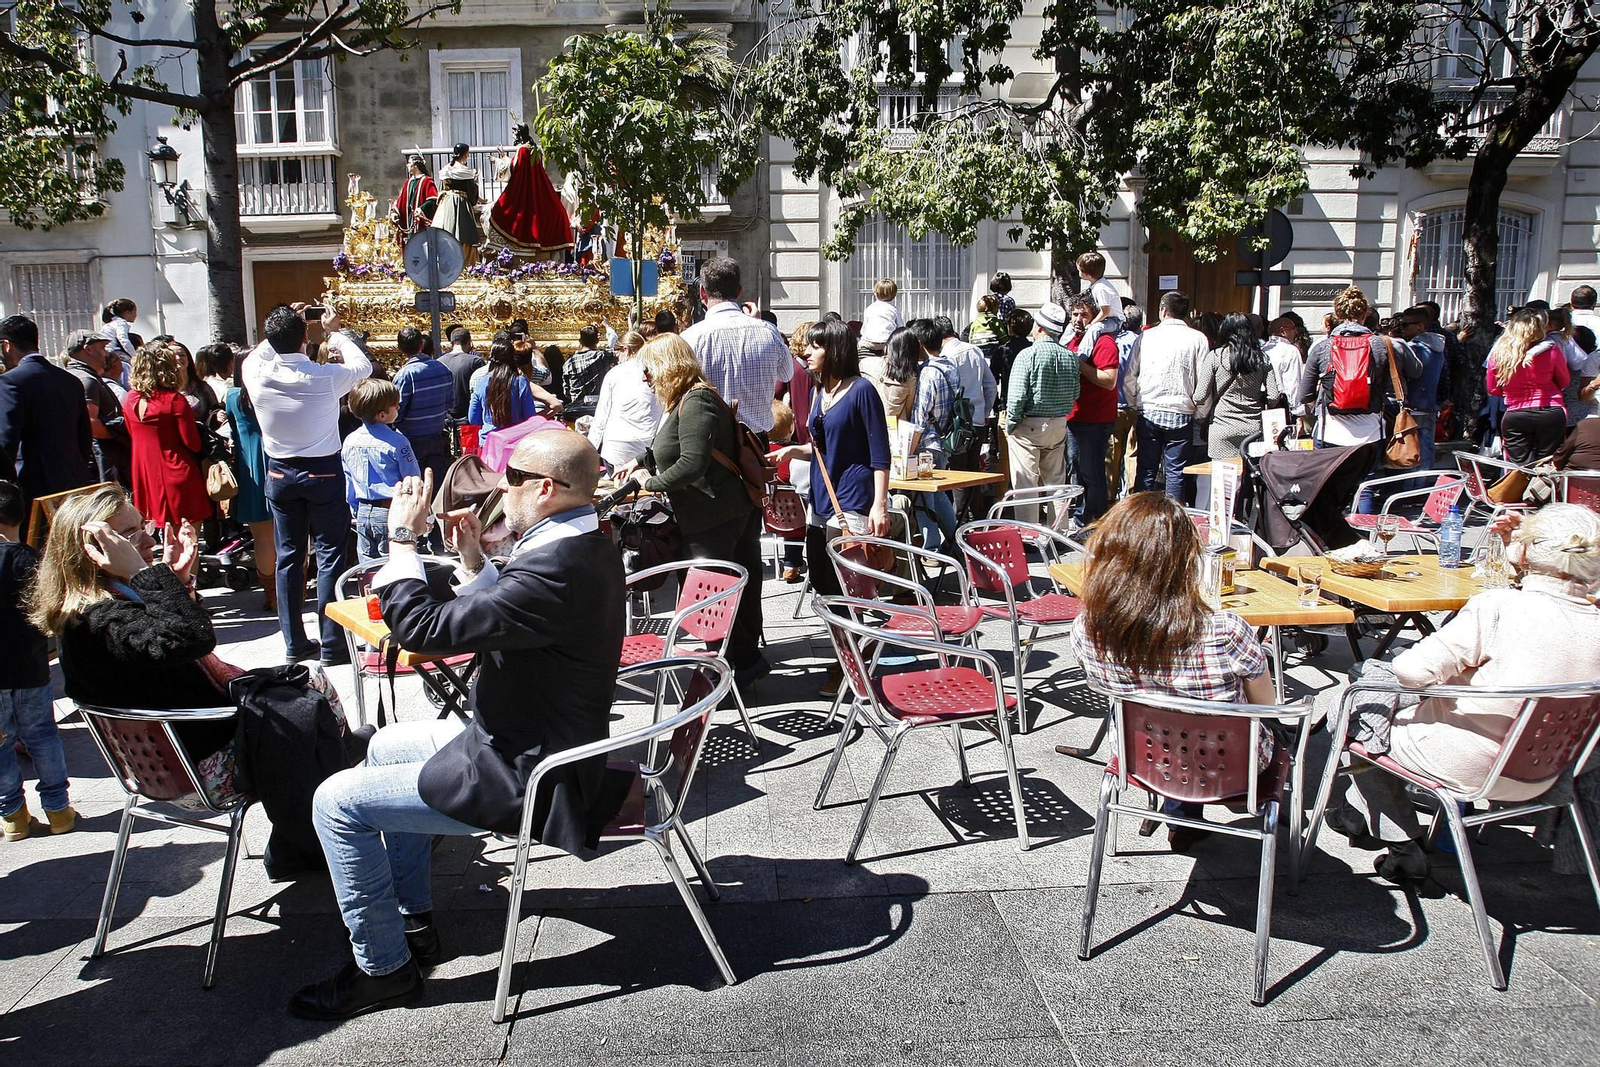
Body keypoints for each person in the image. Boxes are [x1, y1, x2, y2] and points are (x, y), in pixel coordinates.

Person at [291, 432, 627, 1019]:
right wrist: (474, 561)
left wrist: (402, 541)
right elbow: (525, 612)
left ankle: (384, 970)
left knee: (334, 803)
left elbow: (422, 630)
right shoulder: (584, 543)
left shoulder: (556, 565)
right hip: (527, 739)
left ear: (545, 489)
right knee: (383, 746)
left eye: (513, 477)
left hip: (530, 773)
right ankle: (411, 918)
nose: (502, 486)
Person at [1323, 504, 1600, 883]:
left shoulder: (1500, 607)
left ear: (1523, 551)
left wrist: (1455, 680)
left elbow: (1412, 672)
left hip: (1469, 759)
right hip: (1555, 768)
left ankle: (1400, 843)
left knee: (1360, 708)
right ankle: (1358, 816)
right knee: (1374, 696)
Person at [1071, 491, 1278, 851]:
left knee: (1169, 715)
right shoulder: (1226, 628)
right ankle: (1271, 815)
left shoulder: (1087, 629)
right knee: (1268, 723)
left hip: (1143, 759)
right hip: (1233, 767)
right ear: (1187, 560)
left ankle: (1181, 816)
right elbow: (1268, 707)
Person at [620, 334, 769, 685]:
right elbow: (673, 446)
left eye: (649, 369)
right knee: (726, 590)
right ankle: (742, 661)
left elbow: (690, 464)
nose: (646, 378)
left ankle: (741, 665)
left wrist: (647, 483)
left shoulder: (697, 400)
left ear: (668, 366)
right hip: (720, 512)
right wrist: (641, 460)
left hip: (716, 514)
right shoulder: (688, 398)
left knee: (710, 595)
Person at [243, 303, 373, 665]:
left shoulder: (256, 371)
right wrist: (333, 331)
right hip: (322, 471)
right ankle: (331, 644)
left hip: (280, 472)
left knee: (290, 556)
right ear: (304, 339)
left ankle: (294, 642)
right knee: (330, 554)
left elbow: (264, 348)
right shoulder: (323, 378)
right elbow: (362, 367)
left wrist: (286, 324)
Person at [771, 317, 891, 607]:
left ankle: (856, 644)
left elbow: (880, 453)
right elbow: (823, 448)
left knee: (847, 583)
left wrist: (879, 505)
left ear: (835, 349)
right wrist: (793, 452)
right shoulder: (818, 392)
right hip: (821, 498)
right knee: (822, 579)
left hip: (851, 497)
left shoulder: (862, 390)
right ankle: (845, 644)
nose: (806, 353)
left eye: (815, 346)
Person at [0, 480, 73, 840]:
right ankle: (58, 810)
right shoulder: (30, 559)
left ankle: (13, 815)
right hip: (31, 668)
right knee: (43, 737)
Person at [0, 314, 96, 535]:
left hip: (32, 487)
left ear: (6, 346)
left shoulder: (10, 382)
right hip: (73, 481)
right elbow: (84, 437)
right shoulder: (69, 380)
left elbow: (6, 442)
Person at [679, 256, 793, 439]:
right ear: (739, 291)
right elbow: (787, 374)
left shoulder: (690, 338)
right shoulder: (768, 331)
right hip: (756, 442)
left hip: (711, 443)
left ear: (702, 292)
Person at [1297, 285, 1422, 448]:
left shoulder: (1322, 347)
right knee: (1368, 473)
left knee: (1330, 474)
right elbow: (1386, 387)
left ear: (1337, 314)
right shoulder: (1381, 344)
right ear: (1364, 315)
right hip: (1371, 432)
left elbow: (1305, 395)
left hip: (1330, 431)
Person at [1125, 291, 1207, 501]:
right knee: (1176, 472)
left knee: (1146, 469)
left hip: (1149, 409)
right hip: (1182, 412)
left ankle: (1140, 516)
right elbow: (1203, 381)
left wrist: (1134, 402)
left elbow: (1130, 375)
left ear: (1163, 310)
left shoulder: (1146, 336)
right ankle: (1173, 517)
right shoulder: (1198, 339)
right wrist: (1199, 412)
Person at [1004, 302, 1081, 525]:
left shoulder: (1027, 356)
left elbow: (1016, 397)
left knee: (1026, 483)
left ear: (1038, 326)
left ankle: (1028, 532)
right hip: (1058, 424)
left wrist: (1011, 423)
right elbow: (1076, 392)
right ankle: (1059, 530)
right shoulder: (1069, 356)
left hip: (1029, 424)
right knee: (1056, 481)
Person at [125, 341, 211, 531]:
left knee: (168, 540)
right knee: (189, 540)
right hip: (177, 470)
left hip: (146, 475)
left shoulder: (130, 398)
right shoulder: (174, 400)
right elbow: (193, 443)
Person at [343, 378, 422, 563]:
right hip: (392, 509)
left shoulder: (349, 441)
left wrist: (354, 510)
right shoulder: (398, 442)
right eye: (395, 406)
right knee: (395, 564)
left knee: (368, 566)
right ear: (382, 415)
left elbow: (350, 483)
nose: (399, 408)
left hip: (363, 512)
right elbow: (412, 479)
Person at [223, 356, 278, 611]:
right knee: (291, 535)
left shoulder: (233, 397)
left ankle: (272, 595)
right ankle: (294, 592)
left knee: (262, 538)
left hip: (251, 468)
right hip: (279, 459)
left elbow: (233, 432)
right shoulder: (273, 389)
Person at [931, 315, 998, 521]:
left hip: (955, 425)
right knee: (973, 471)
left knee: (957, 472)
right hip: (977, 420)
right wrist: (985, 412)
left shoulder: (944, 358)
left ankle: (959, 520)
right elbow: (990, 385)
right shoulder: (975, 351)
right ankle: (973, 516)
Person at [1192, 311, 1284, 460]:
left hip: (1221, 427)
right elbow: (1273, 396)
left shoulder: (1215, 357)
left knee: (1222, 479)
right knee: (1249, 476)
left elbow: (1200, 395)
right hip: (1253, 429)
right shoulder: (1262, 358)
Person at [1487, 306, 1569, 464]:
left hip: (1516, 411)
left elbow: (1493, 389)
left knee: (1516, 468)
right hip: (1550, 409)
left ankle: (1517, 488)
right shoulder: (1552, 350)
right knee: (1547, 464)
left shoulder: (1499, 354)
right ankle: (1541, 489)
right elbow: (1564, 381)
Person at [1065, 295, 1121, 524]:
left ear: (1095, 316)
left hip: (1095, 419)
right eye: (1075, 314)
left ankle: (1095, 519)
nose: (1078, 319)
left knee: (1091, 470)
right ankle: (1081, 517)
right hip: (1075, 416)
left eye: (1084, 314)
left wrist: (1079, 364)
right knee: (1076, 469)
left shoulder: (1104, 342)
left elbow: (1109, 380)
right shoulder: (1072, 340)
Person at [63, 329, 132, 489]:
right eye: (101, 348)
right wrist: (120, 434)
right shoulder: (87, 380)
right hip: (100, 462)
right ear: (88, 349)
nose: (106, 354)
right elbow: (90, 424)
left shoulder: (74, 375)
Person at [587, 329, 661, 468]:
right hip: (650, 442)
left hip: (619, 444)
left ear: (625, 350)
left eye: (618, 354)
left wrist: (590, 448)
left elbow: (602, 414)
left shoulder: (614, 373)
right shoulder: (656, 370)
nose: (617, 358)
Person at [467, 332, 539, 436]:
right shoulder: (521, 382)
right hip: (515, 440)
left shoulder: (481, 383)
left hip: (489, 440)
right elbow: (530, 415)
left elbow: (473, 418)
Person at [1107, 304, 1143, 501]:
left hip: (1114, 405)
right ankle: (1131, 497)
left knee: (1112, 455)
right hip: (1135, 405)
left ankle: (1110, 498)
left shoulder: (1113, 342)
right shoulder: (1141, 342)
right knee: (1133, 454)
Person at [430, 144, 483, 262]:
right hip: (460, 202)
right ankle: (464, 261)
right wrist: (475, 200)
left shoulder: (446, 169)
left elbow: (441, 188)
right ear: (465, 154)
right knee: (463, 232)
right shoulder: (465, 171)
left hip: (446, 203)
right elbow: (471, 191)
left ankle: (446, 260)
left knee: (446, 229)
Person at [1076, 251, 1123, 366]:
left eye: (1079, 269)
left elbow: (1105, 311)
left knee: (1095, 328)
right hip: (1107, 318)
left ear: (1087, 273)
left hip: (1114, 321)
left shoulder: (1101, 288)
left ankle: (1082, 357)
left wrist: (1092, 323)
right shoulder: (1095, 285)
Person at [560, 325, 615, 418]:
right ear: (597, 341)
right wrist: (608, 327)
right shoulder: (602, 356)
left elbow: (567, 392)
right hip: (599, 406)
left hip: (577, 409)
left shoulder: (569, 364)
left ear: (580, 341)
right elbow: (617, 347)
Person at [1263, 314, 1306, 430]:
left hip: (1262, 403)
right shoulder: (1290, 351)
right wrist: (1299, 414)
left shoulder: (1262, 349)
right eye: (1293, 328)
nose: (1296, 332)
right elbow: (1293, 384)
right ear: (1283, 331)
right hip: (1282, 406)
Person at [390, 154, 438, 249]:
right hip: (408, 220)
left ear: (415, 165)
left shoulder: (427, 181)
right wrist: (395, 213)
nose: (407, 166)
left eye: (409, 163)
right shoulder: (408, 182)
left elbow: (433, 199)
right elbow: (401, 201)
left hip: (419, 220)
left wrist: (422, 209)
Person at [99, 298, 140, 384]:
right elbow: (123, 339)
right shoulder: (121, 323)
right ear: (127, 312)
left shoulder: (110, 324)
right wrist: (134, 355)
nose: (136, 315)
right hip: (114, 351)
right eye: (135, 311)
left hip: (106, 351)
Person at [859, 277, 903, 356]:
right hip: (887, 342)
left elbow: (864, 328)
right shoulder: (894, 309)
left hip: (869, 342)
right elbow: (900, 328)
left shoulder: (870, 308)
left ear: (876, 294)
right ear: (894, 295)